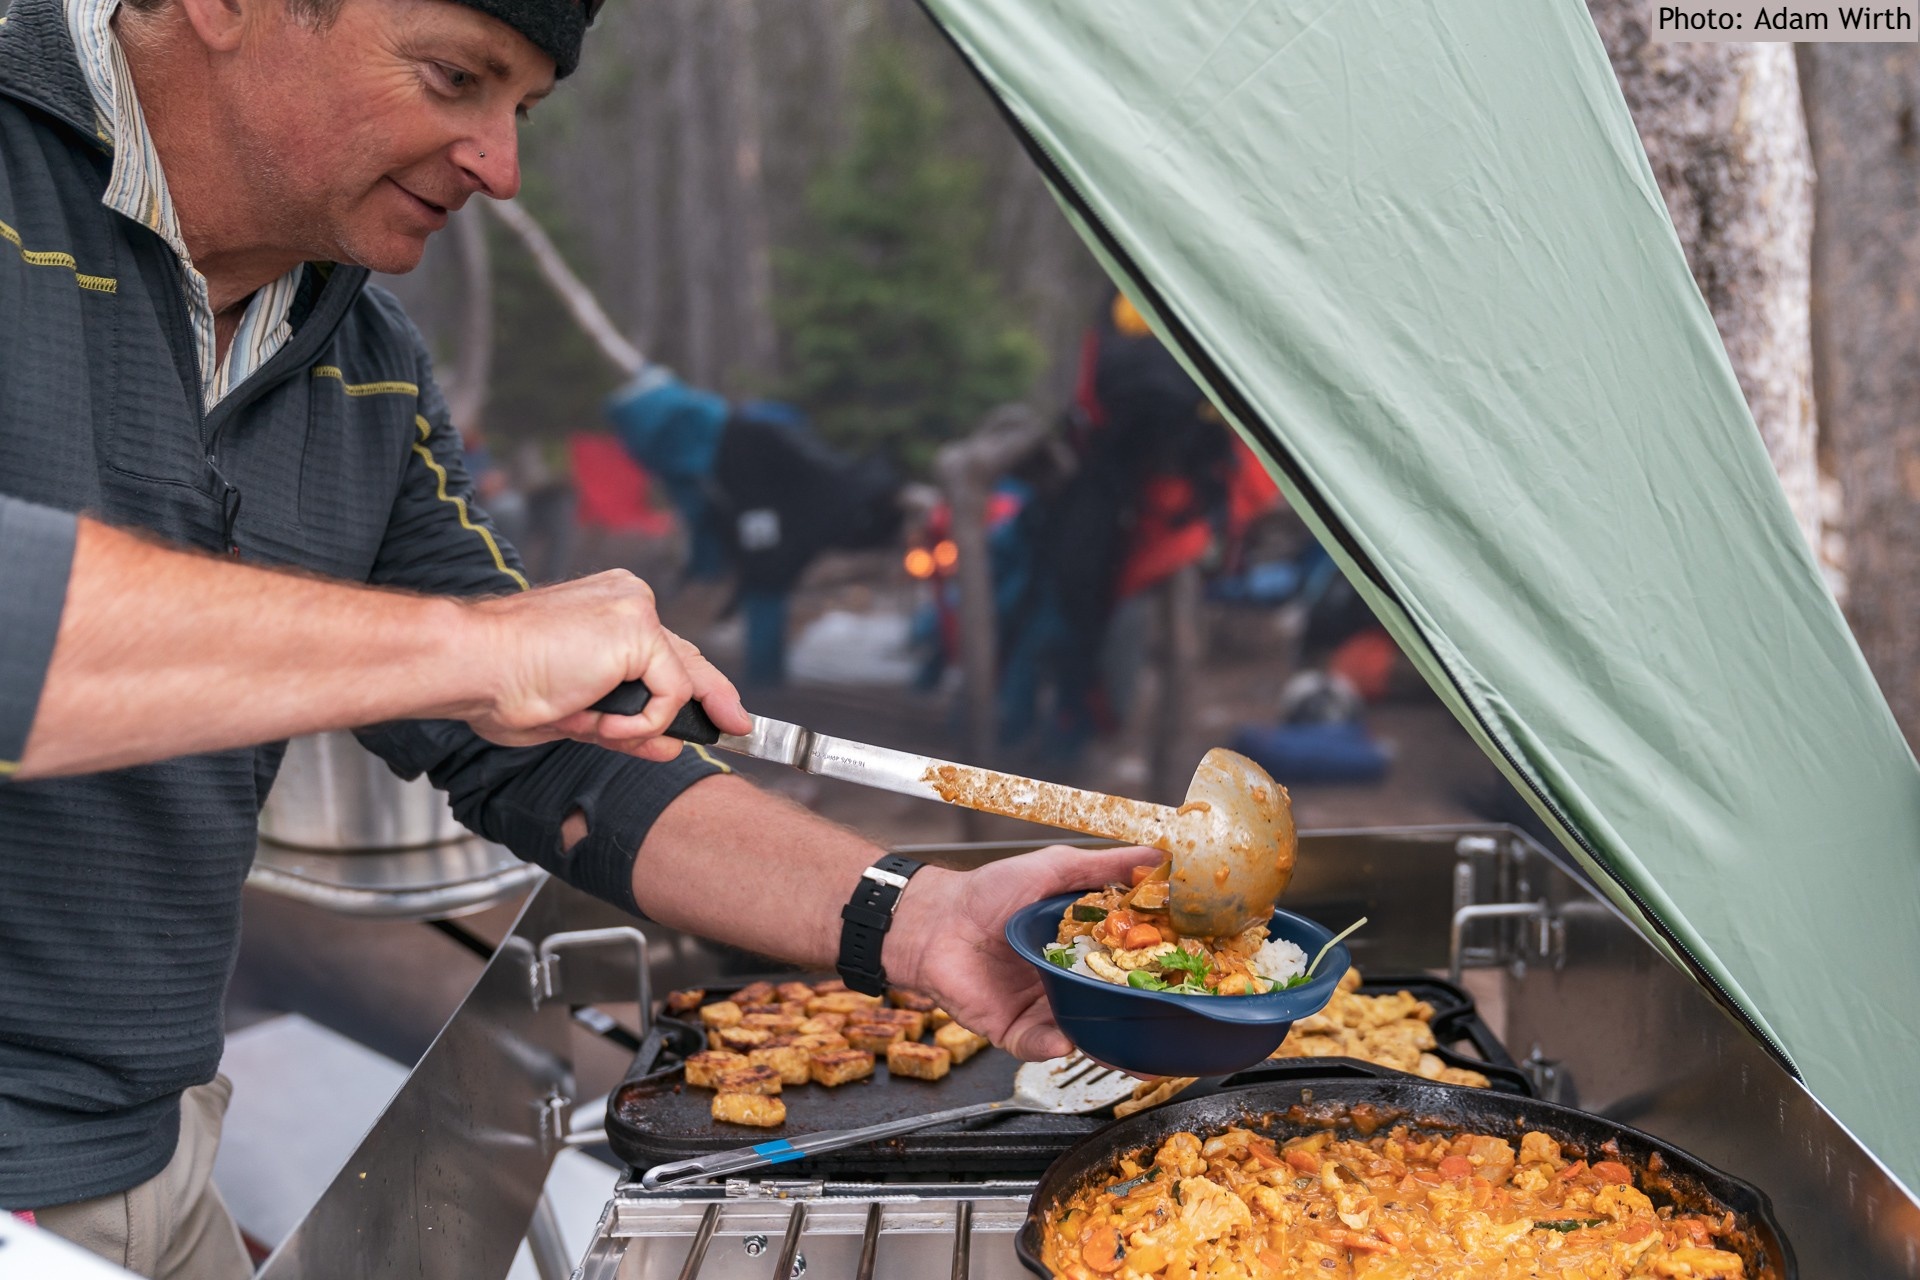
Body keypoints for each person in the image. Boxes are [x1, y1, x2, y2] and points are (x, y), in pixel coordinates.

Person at [0, 2, 1147, 1276]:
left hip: (150, 1153)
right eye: (455, 79)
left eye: (524, 109)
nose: (502, 167)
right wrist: (468, 646)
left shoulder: (359, 351)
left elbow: (554, 752)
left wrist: (924, 919)